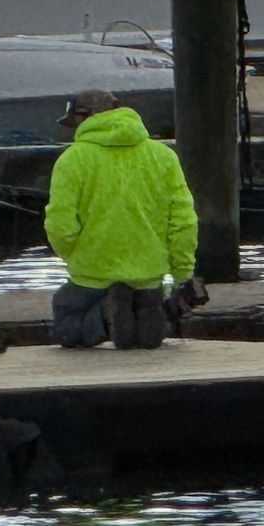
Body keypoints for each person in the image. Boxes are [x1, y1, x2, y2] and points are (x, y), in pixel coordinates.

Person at [44, 89, 198, 349]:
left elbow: (60, 223)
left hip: (93, 272)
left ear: (83, 118)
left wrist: (72, 254)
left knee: (66, 324)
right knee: (154, 303)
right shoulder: (163, 156)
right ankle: (156, 318)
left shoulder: (73, 159)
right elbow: (183, 221)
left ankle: (106, 316)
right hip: (149, 272)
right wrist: (182, 272)